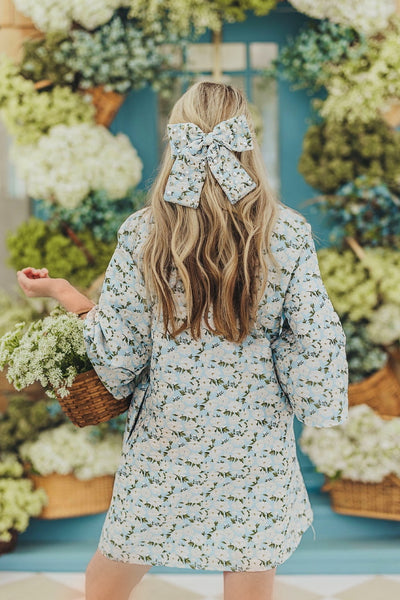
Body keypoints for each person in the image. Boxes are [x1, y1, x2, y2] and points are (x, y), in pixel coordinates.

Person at [17, 81, 349, 600]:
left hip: (164, 440)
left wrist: (63, 293)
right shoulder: (286, 232)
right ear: (246, 143)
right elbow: (316, 338)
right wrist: (318, 404)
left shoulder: (144, 233)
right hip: (255, 442)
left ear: (178, 140)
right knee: (249, 576)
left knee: (105, 581)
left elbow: (116, 352)